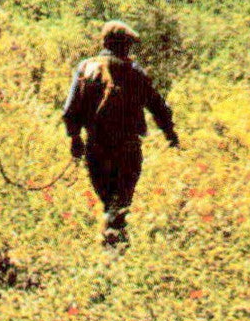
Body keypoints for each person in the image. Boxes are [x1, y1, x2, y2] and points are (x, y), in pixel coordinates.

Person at [63, 21, 179, 247]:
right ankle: (114, 248)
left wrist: (75, 139)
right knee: (121, 202)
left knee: (108, 201)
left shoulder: (86, 68)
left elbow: (69, 111)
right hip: (127, 149)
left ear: (104, 42)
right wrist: (171, 136)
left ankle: (112, 244)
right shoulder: (135, 73)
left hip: (95, 147)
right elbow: (159, 107)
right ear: (124, 46)